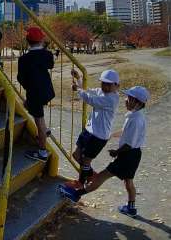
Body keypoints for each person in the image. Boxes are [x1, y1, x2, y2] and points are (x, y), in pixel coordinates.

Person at [59, 86, 149, 217]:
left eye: (129, 98)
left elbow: (129, 144)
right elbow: (127, 133)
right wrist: (113, 135)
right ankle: (131, 208)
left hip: (127, 156)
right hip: (134, 156)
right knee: (128, 181)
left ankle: (76, 194)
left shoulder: (135, 120)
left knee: (101, 176)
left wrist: (116, 152)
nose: (125, 100)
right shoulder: (137, 116)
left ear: (138, 102)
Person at [70, 68, 120, 186]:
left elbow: (90, 99)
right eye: (103, 83)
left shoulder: (112, 99)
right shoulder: (101, 91)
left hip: (98, 136)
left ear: (117, 86)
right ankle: (91, 175)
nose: (105, 86)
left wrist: (78, 90)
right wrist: (79, 79)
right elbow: (88, 91)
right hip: (89, 130)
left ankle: (81, 183)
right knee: (76, 155)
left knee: (86, 161)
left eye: (109, 84)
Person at [17, 27, 55, 161]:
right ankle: (45, 130)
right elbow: (50, 65)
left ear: (27, 41)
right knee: (32, 108)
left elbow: (20, 78)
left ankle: (42, 152)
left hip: (34, 92)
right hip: (47, 91)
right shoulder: (47, 55)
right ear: (41, 40)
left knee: (38, 120)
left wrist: (27, 86)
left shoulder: (23, 59)